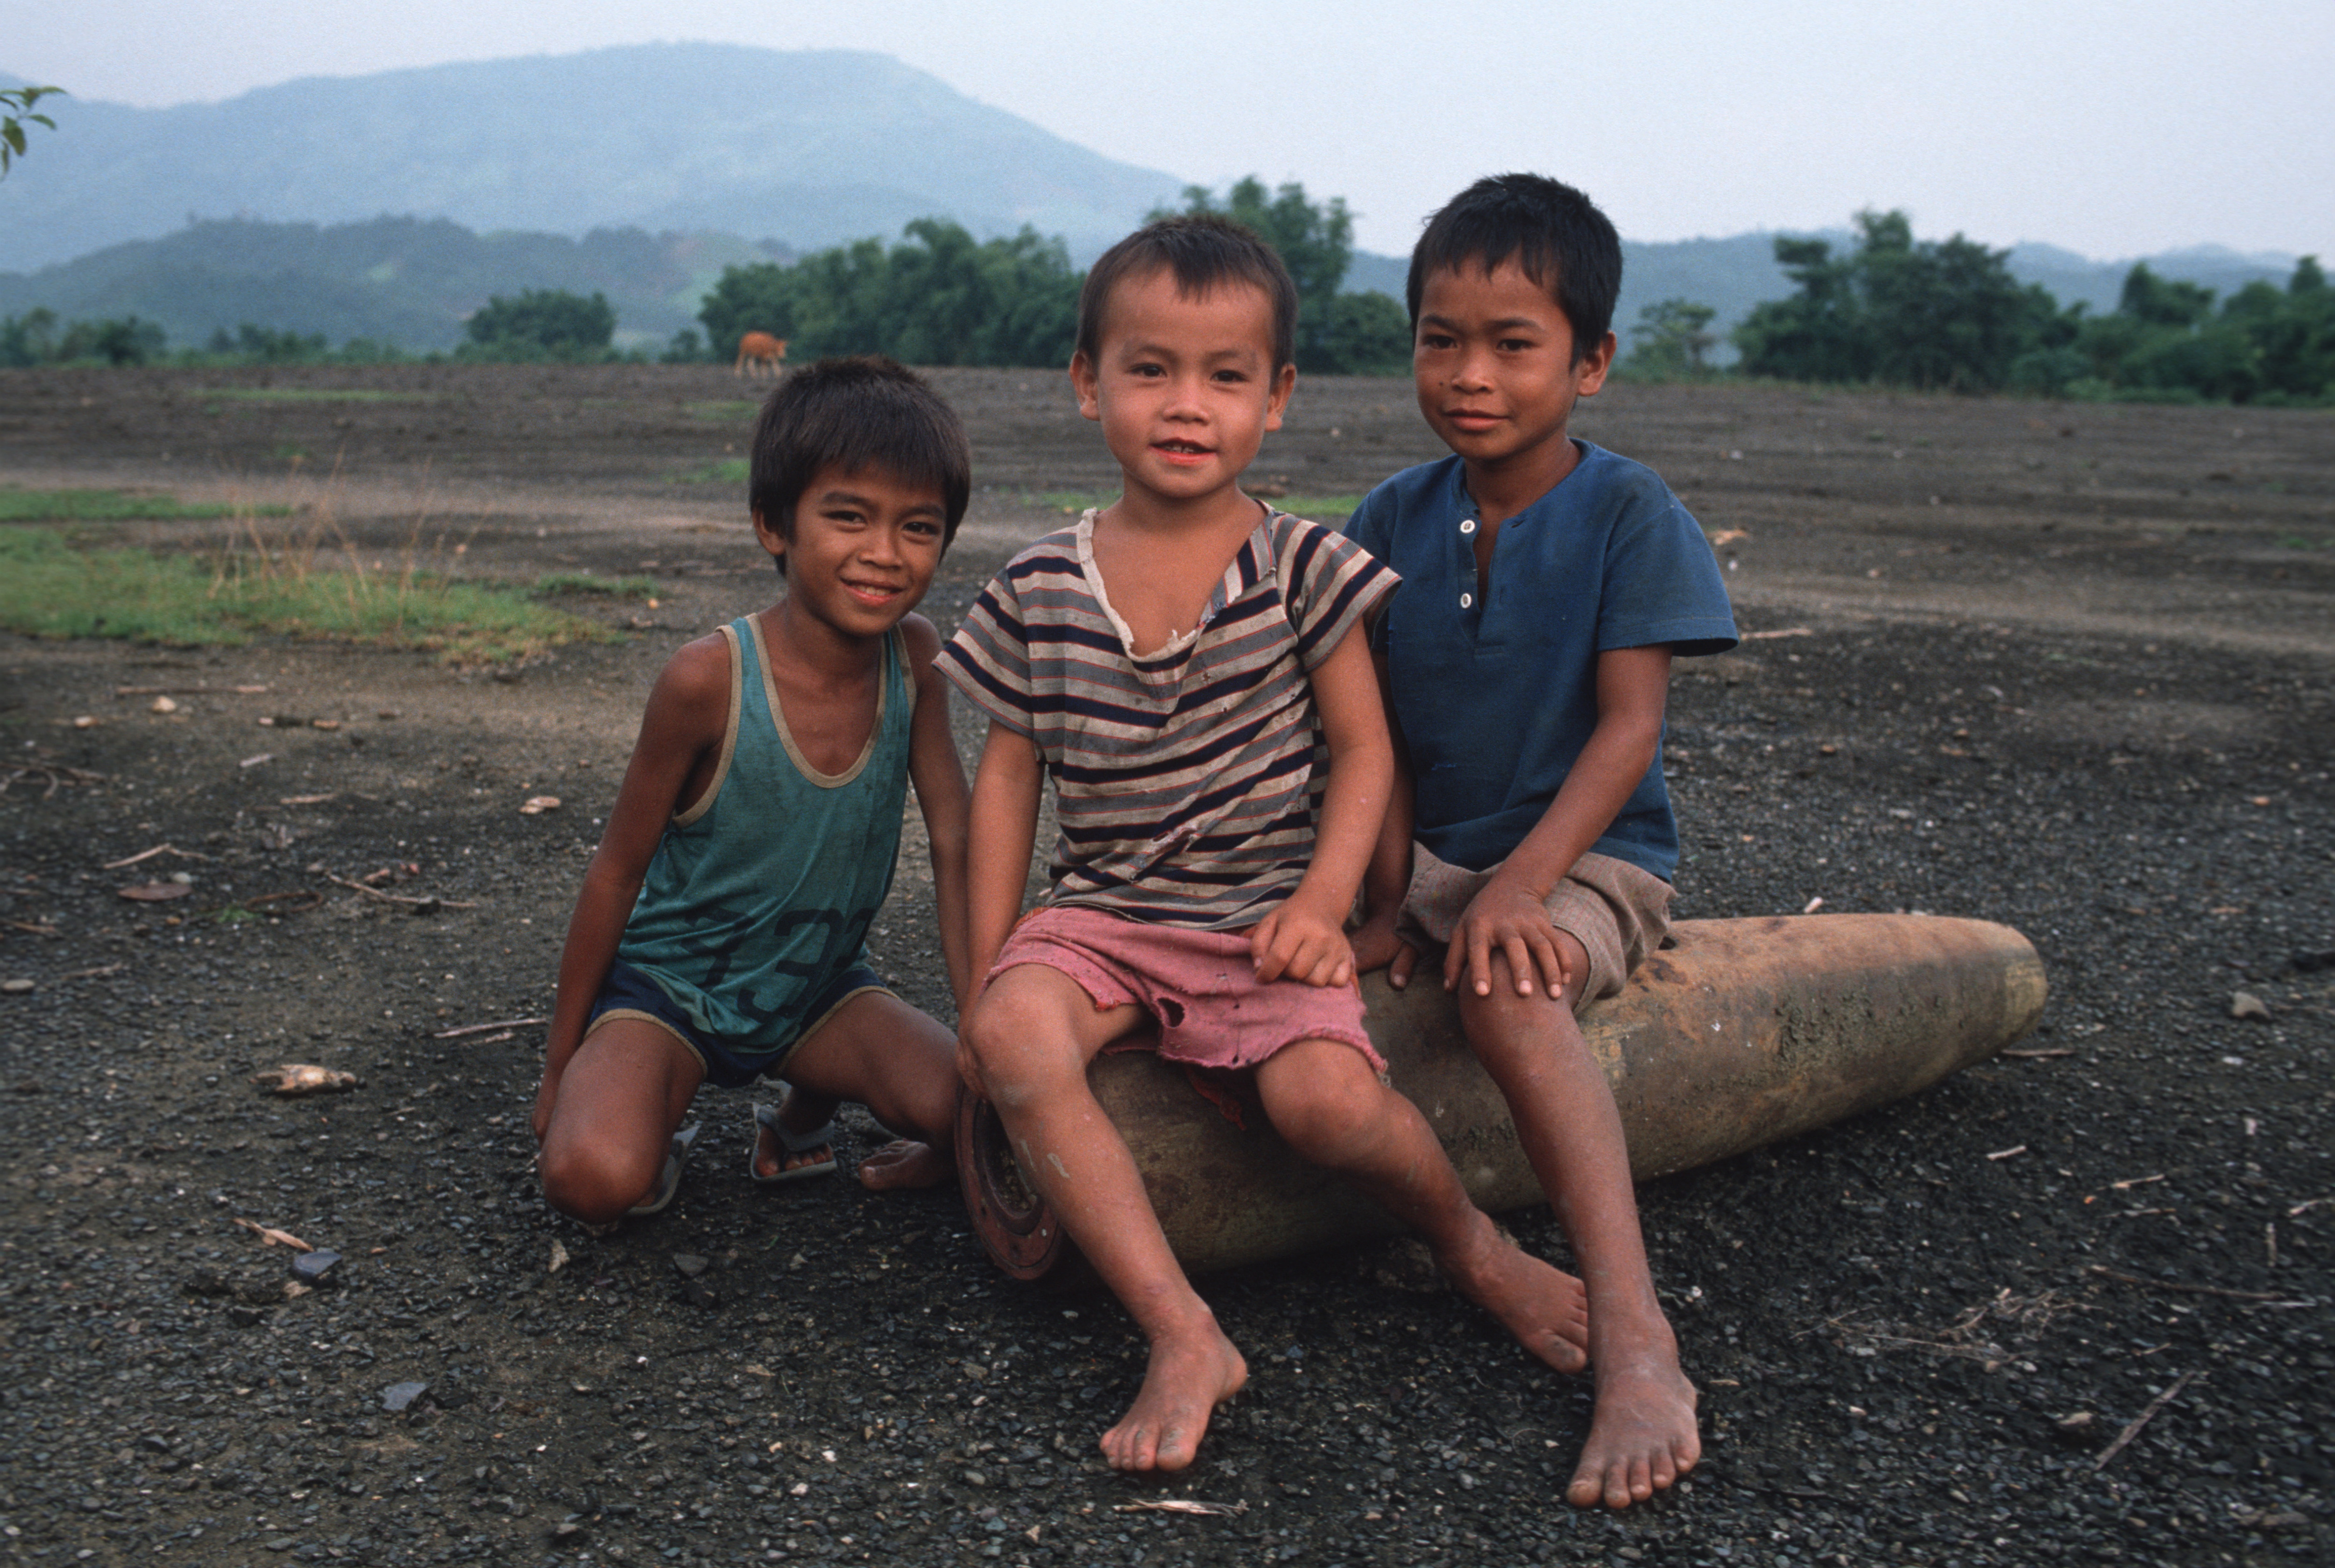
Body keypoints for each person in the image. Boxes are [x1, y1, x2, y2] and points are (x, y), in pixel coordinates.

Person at [943, 214, 1592, 1475]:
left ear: (1276, 396)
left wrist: (1323, 899)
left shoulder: (1305, 565)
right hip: (1110, 919)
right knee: (1019, 1033)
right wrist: (982, 978)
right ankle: (1184, 1328)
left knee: (1328, 1104)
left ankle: (1470, 1239)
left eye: (1225, 375)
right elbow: (1007, 785)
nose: (1187, 405)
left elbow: (1366, 751)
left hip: (1259, 919)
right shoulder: (1034, 586)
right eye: (1150, 369)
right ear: (1088, 382)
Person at [1344, 173, 1739, 1510]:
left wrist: (1516, 889)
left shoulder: (1631, 511)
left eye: (1514, 344)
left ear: (1593, 360)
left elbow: (1627, 729)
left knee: (1510, 993)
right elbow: (1372, 740)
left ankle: (1638, 1337)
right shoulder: (1390, 520)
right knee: (1290, 1014)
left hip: (1588, 859)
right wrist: (1387, 899)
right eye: (1440, 338)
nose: (1470, 374)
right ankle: (1468, 1246)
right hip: (1435, 863)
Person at [532, 356, 973, 1228]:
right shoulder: (707, 679)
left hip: (818, 994)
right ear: (775, 524)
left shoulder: (916, 660)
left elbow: (959, 842)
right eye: (848, 517)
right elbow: (615, 874)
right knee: (591, 1179)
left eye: (918, 527)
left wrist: (989, 1031)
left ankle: (805, 1109)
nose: (885, 553)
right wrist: (557, 1066)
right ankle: (654, 1112)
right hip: (669, 992)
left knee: (987, 1121)